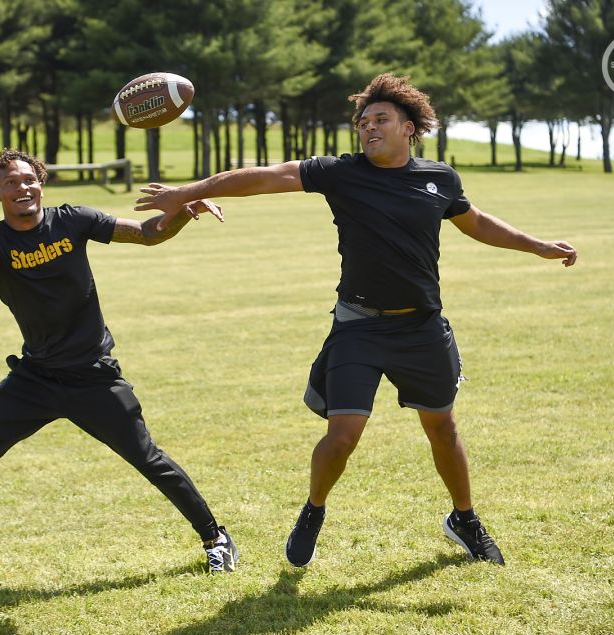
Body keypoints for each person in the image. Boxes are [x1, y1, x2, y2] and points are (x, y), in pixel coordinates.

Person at [135, 74, 578, 567]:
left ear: (409, 128)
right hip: (359, 325)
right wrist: (187, 191)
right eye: (363, 122)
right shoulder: (340, 173)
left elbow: (476, 222)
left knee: (443, 429)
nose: (368, 128)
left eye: (380, 120)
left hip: (422, 327)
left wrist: (536, 244)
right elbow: (266, 176)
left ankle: (464, 518)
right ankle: (313, 509)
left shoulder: (440, 179)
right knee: (342, 435)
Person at [0, 149, 238, 590]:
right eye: (11, 183)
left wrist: (182, 212)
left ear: (41, 184)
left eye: (29, 179)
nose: (23, 188)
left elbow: (147, 233)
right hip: (35, 378)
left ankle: (215, 537)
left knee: (148, 458)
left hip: (93, 375)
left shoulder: (72, 219)